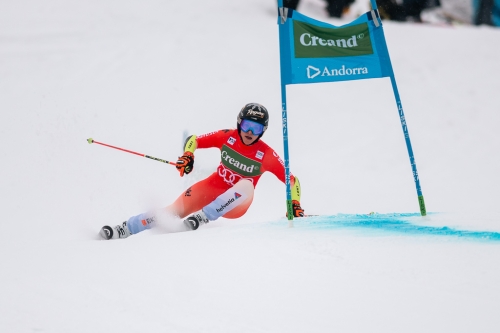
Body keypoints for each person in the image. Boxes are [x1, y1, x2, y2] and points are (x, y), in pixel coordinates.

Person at [99, 103, 305, 240]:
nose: (250, 132)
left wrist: (294, 203)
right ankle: (125, 228)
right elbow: (194, 140)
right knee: (172, 212)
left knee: (246, 184)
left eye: (257, 129)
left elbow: (292, 181)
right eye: (247, 125)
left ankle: (203, 217)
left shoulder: (266, 154)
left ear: (263, 131)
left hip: (236, 204)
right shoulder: (227, 136)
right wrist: (188, 155)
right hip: (211, 188)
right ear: (239, 123)